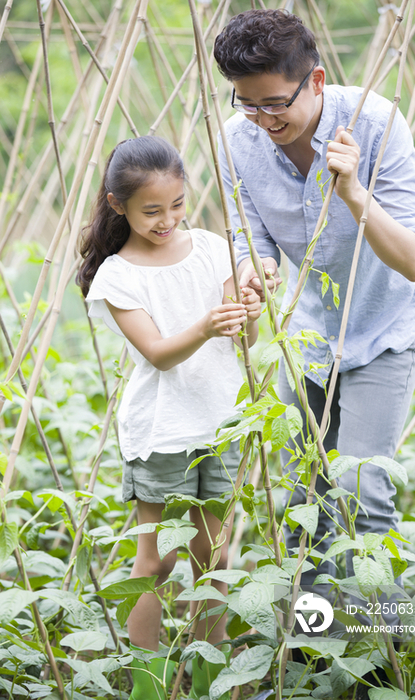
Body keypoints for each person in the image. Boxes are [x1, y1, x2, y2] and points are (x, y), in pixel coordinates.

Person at [214, 9, 415, 615]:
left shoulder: (376, 122)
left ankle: (374, 655)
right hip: (307, 337)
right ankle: (312, 653)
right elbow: (249, 239)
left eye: (275, 104)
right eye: (247, 105)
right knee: (301, 501)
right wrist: (251, 275)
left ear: (313, 81)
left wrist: (354, 193)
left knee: (363, 496)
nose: (263, 121)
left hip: (383, 332)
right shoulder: (239, 139)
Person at [77, 135, 261, 700]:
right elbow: (156, 352)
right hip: (161, 430)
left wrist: (251, 306)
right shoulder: (116, 276)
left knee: (216, 554)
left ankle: (210, 678)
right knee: (156, 560)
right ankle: (149, 685)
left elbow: (246, 339)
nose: (167, 220)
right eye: (151, 211)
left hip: (223, 423)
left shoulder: (211, 248)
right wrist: (206, 326)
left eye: (176, 205)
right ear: (118, 206)